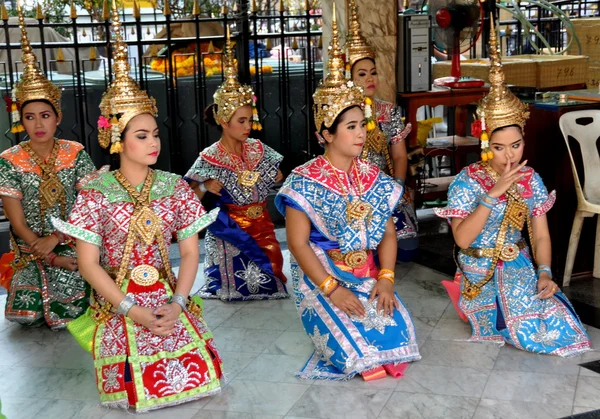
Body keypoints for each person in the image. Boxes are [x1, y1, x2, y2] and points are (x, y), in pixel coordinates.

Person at [52, 5, 224, 412]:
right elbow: (90, 265)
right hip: (118, 302)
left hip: (166, 296)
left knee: (200, 379)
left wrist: (178, 303)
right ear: (117, 139)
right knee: (136, 385)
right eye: (141, 135)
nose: (153, 143)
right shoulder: (95, 191)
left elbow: (188, 251)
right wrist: (132, 311)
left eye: (155, 134)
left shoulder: (173, 186)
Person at [275, 7, 420, 381]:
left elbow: (388, 232)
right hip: (321, 276)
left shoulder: (372, 175)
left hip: (365, 271)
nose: (360, 134)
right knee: (359, 355)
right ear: (325, 133)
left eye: (362, 125)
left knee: (399, 339)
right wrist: (332, 288)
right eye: (351, 127)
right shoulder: (303, 180)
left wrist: (386, 277)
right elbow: (299, 245)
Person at [434, 17, 591, 356]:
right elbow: (461, 239)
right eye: (501, 147)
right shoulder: (467, 181)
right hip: (480, 267)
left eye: (516, 145)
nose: (509, 156)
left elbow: (541, 234)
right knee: (526, 330)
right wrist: (493, 194)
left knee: (560, 322)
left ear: (524, 139)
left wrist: (546, 273)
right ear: (485, 142)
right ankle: (467, 296)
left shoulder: (530, 178)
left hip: (517, 264)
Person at [0, 4, 97, 329]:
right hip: (32, 246)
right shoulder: (10, 160)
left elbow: (89, 205)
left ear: (57, 117)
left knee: (79, 292)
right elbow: (16, 222)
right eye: (30, 116)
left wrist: (57, 238)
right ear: (21, 121)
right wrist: (48, 252)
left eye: (45, 115)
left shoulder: (75, 152)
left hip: (74, 238)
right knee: (25, 313)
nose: (38, 124)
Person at [185, 30, 288, 302]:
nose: (248, 127)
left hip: (262, 224)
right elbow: (189, 198)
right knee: (235, 280)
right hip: (230, 229)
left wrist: (275, 176)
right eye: (241, 120)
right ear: (223, 120)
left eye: (250, 120)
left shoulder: (258, 148)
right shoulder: (209, 156)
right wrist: (206, 186)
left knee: (272, 280)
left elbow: (277, 175)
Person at [345, 0, 418, 261]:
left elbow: (399, 156)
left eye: (373, 73)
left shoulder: (388, 111)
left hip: (384, 188)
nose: (370, 79)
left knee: (407, 250)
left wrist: (397, 188)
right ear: (348, 79)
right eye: (362, 74)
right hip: (350, 190)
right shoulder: (338, 116)